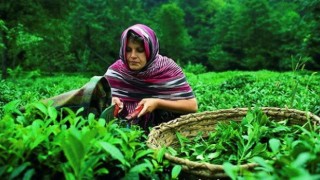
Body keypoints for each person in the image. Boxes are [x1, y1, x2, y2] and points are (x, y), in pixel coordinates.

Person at [104, 24, 198, 130]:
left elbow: (192, 106)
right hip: (122, 132)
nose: (133, 56)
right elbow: (97, 99)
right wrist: (111, 101)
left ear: (150, 49)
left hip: (162, 131)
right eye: (128, 50)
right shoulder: (116, 71)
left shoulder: (167, 69)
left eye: (140, 50)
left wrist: (157, 103)